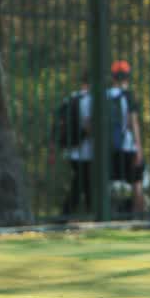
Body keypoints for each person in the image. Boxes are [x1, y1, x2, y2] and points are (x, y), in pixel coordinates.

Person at [49, 76, 93, 216]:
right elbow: (90, 125)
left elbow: (57, 124)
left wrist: (53, 148)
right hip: (87, 151)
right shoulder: (91, 100)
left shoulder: (70, 99)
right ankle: (65, 215)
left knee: (84, 183)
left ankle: (91, 212)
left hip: (71, 150)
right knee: (82, 183)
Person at [109, 59, 146, 214]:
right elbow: (133, 123)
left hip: (108, 147)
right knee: (136, 183)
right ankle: (139, 217)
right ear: (127, 76)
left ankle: (108, 216)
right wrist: (139, 148)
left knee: (108, 184)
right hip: (128, 146)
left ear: (112, 77)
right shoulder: (128, 96)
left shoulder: (105, 95)